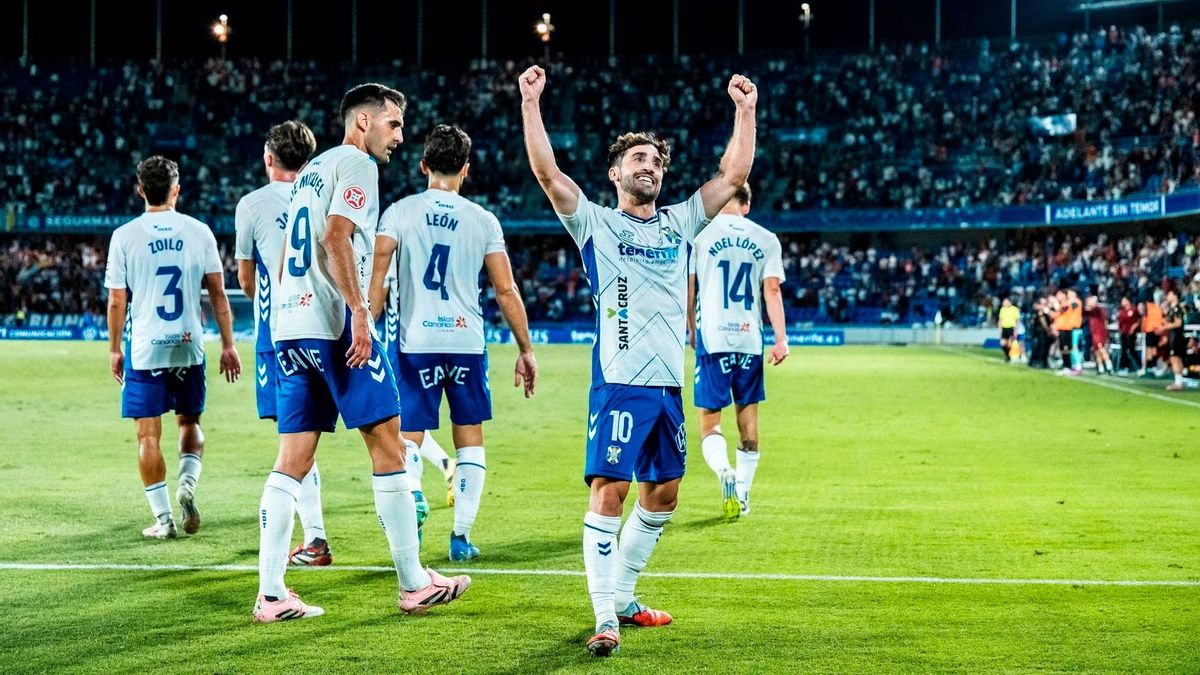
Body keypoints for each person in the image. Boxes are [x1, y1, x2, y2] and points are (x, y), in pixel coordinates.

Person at [520, 63, 757, 657]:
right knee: (610, 491)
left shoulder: (681, 222)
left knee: (665, 494)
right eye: (637, 160)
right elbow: (548, 174)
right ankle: (603, 616)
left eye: (655, 160)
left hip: (667, 389)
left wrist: (745, 111)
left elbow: (734, 174)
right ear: (616, 173)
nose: (648, 166)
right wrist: (530, 103)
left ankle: (624, 598)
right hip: (619, 382)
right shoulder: (596, 224)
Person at [253, 83, 469, 623]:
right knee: (391, 446)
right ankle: (414, 582)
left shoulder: (312, 170)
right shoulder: (357, 165)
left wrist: (288, 311)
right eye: (393, 124)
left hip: (291, 324)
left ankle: (272, 593)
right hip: (332, 330)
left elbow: (288, 250)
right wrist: (359, 312)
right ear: (363, 122)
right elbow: (336, 235)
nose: (399, 136)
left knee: (292, 461)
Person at [369, 123, 538, 562]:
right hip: (466, 340)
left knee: (406, 435)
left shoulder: (399, 213)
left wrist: (365, 328)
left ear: (424, 165)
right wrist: (525, 349)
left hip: (414, 341)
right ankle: (461, 537)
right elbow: (506, 290)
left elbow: (379, 279)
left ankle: (413, 504)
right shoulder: (483, 220)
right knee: (470, 438)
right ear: (466, 169)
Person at [104, 156, 241, 539]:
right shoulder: (199, 231)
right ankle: (188, 485)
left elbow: (117, 301)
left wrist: (115, 350)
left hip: (146, 346)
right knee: (190, 422)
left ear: (141, 189)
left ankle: (163, 520)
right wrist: (229, 345)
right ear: (176, 189)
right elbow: (218, 295)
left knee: (148, 435)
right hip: (188, 343)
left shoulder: (125, 236)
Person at [235, 121, 333, 566]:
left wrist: (277, 307)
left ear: (267, 158)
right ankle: (315, 538)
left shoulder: (251, 204)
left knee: (292, 441)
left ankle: (311, 540)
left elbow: (245, 276)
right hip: (325, 326)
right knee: (305, 440)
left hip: (279, 336)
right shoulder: (322, 193)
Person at [686, 183, 787, 519]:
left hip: (713, 337)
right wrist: (781, 339)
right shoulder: (766, 238)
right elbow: (772, 291)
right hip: (749, 340)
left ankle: (724, 471)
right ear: (747, 205)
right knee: (748, 421)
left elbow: (690, 285)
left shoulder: (700, 234)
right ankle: (742, 492)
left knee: (709, 423)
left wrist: (690, 327)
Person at [1158, 289, 1188, 390]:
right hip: (1174, 336)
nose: (1168, 295)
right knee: (1176, 358)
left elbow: (1178, 323)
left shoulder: (1177, 308)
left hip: (1177, 336)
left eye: (1170, 294)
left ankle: (1178, 383)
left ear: (1175, 296)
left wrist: (1164, 327)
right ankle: (1178, 382)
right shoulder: (1172, 309)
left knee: (1175, 358)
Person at [1082, 296, 1112, 374]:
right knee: (1096, 351)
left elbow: (1088, 311)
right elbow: (1083, 312)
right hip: (1094, 333)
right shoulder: (1091, 311)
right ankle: (1100, 368)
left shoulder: (1097, 310)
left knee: (1101, 348)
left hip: (1099, 333)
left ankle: (1109, 366)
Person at [1115, 296, 1140, 374]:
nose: (1122, 302)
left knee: (1132, 350)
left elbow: (1139, 320)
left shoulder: (1134, 309)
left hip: (1131, 333)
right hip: (1123, 333)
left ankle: (1139, 366)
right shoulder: (1121, 311)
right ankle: (1124, 367)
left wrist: (1134, 327)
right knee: (1124, 350)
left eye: (1124, 300)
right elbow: (1119, 321)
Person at [997, 297, 1020, 363]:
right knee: (1002, 343)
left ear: (1010, 302)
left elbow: (1017, 321)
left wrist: (1016, 330)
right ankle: (1007, 356)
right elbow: (1000, 320)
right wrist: (999, 329)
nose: (1004, 303)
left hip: (1011, 328)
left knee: (1009, 344)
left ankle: (1008, 356)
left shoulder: (1015, 309)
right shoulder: (1002, 309)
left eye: (1005, 301)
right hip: (1004, 328)